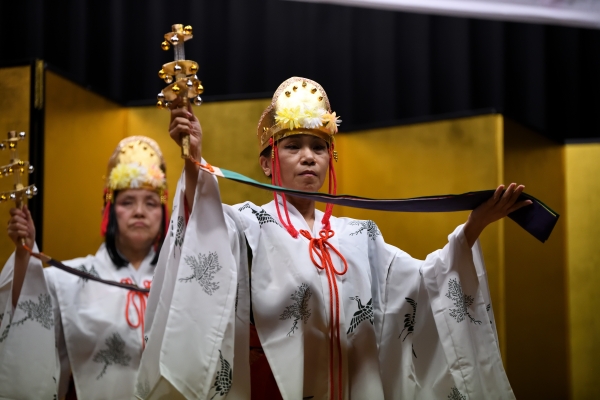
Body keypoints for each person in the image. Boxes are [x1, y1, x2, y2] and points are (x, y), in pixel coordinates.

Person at [136, 77, 529, 399]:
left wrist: (474, 227)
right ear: (268, 162)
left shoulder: (361, 236)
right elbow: (204, 227)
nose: (308, 156)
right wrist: (194, 160)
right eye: (293, 146)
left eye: (319, 147)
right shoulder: (249, 223)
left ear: (330, 159)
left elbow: (427, 283)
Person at [0, 136, 169, 399]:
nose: (139, 211)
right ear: (109, 211)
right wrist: (24, 254)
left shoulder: (177, 280)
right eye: (127, 202)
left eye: (151, 202)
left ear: (164, 213)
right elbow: (24, 317)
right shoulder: (66, 280)